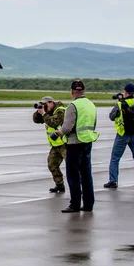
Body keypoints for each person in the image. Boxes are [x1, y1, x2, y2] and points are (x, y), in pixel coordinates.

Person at [54, 80, 99, 213]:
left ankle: (74, 204)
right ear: (84, 91)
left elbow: (67, 127)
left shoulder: (73, 106)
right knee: (86, 174)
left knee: (73, 175)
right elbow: (94, 123)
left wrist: (59, 132)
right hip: (87, 141)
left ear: (72, 91)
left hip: (74, 143)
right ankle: (88, 204)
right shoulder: (91, 105)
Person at [104, 83, 134, 189]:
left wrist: (119, 103)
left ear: (126, 92)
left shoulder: (120, 104)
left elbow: (111, 116)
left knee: (115, 158)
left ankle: (113, 181)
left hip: (123, 133)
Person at [32, 96, 67, 193]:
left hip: (65, 143)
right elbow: (36, 120)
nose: (44, 106)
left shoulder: (60, 111)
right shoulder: (47, 113)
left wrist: (44, 113)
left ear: (51, 103)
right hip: (55, 145)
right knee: (52, 164)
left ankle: (80, 186)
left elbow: (54, 123)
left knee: (72, 166)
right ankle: (59, 185)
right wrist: (39, 111)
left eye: (45, 104)